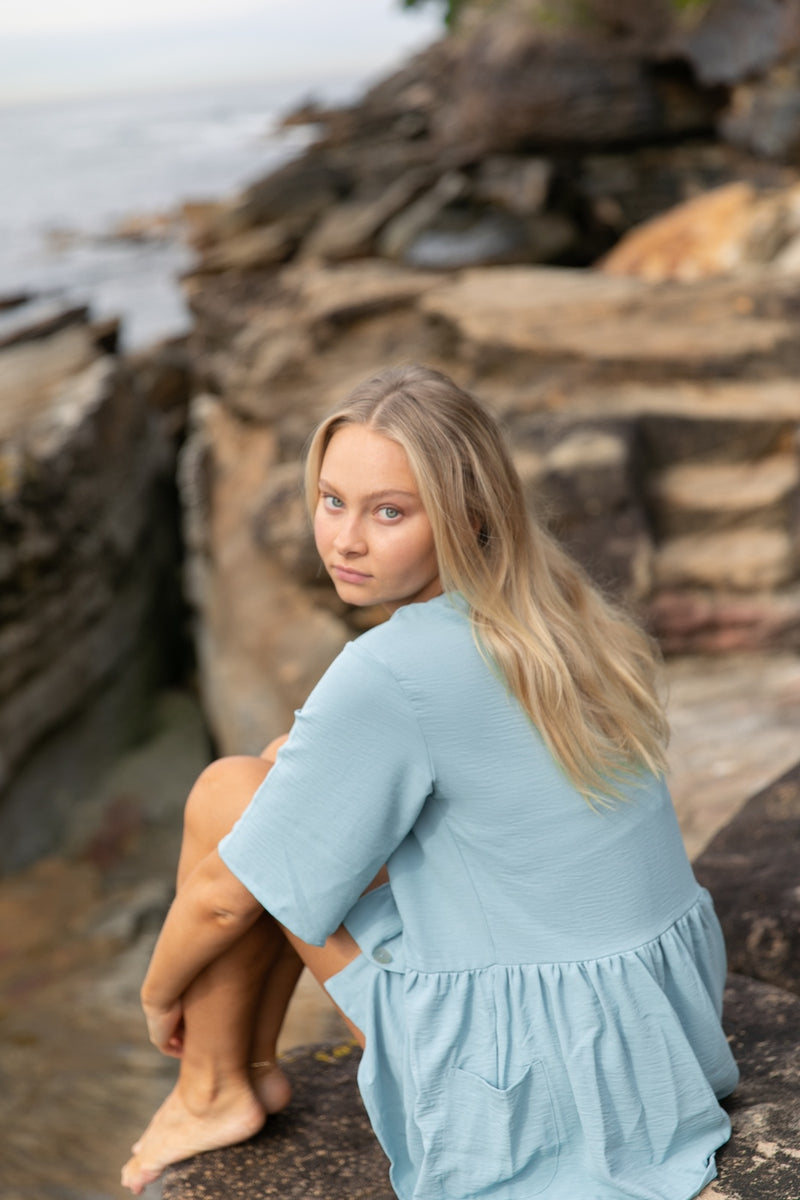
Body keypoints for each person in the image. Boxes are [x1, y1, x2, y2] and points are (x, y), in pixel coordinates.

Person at [122, 364, 738, 1199]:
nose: (344, 539)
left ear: (466, 518)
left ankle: (212, 1087)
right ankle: (236, 1074)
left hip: (531, 1075)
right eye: (332, 500)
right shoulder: (559, 606)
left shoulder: (391, 670)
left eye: (389, 513)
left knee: (233, 794)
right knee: (280, 768)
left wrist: (159, 1001)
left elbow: (224, 901)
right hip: (655, 1037)